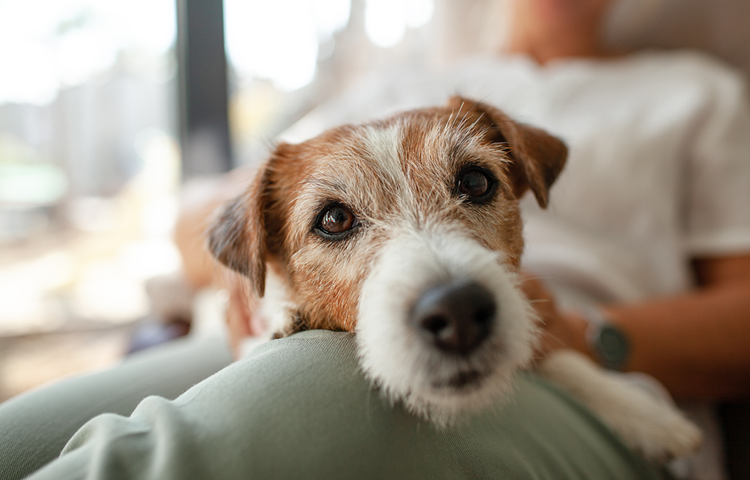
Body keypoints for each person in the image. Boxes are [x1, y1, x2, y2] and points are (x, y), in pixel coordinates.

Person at [1, 0, 749, 478]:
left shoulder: (696, 91)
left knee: (306, 387)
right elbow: (204, 217)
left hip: (592, 380)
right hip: (322, 327)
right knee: (22, 439)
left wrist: (589, 337)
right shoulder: (395, 83)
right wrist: (248, 272)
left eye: (477, 184)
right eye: (337, 219)